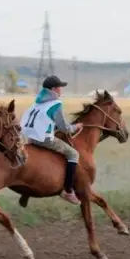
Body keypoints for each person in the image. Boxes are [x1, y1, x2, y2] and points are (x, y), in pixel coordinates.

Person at [21, 75, 82, 205]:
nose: (61, 90)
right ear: (53, 89)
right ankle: (68, 191)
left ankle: (26, 192)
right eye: (60, 87)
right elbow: (64, 128)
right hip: (44, 139)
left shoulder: (37, 102)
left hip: (31, 138)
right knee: (73, 154)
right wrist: (75, 127)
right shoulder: (56, 104)